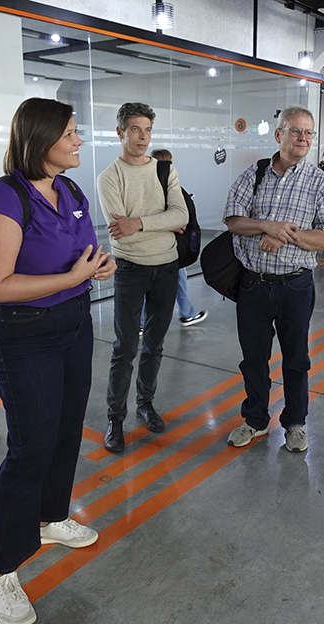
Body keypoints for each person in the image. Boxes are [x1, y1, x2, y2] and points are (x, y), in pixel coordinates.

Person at [0, 98, 116, 624]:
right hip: (23, 335)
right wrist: (73, 279)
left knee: (66, 432)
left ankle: (52, 517)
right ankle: (2, 571)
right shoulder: (3, 199)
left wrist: (98, 267)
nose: (79, 141)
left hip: (73, 326)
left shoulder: (71, 191)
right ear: (42, 139)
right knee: (31, 447)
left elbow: (85, 253)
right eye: (71, 133)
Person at [223, 105, 324, 452]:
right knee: (254, 359)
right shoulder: (255, 175)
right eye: (295, 131)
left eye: (308, 132)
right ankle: (256, 421)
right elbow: (233, 220)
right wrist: (267, 226)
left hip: (295, 285)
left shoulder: (319, 181)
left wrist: (286, 235)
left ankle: (294, 423)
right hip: (254, 284)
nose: (302, 138)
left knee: (296, 359)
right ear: (279, 135)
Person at [98, 103, 188, 453]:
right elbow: (121, 233)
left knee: (155, 344)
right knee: (125, 347)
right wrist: (161, 222)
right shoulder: (110, 177)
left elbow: (180, 213)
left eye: (147, 129)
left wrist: (139, 222)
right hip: (130, 270)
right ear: (121, 132)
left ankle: (145, 403)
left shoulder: (165, 170)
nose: (143, 136)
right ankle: (114, 418)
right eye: (135, 129)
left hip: (166, 267)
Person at [147, 148, 207, 328]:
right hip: (168, 247)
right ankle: (186, 313)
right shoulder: (167, 187)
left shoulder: (149, 186)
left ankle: (186, 312)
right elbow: (178, 221)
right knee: (176, 279)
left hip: (156, 247)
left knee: (152, 283)